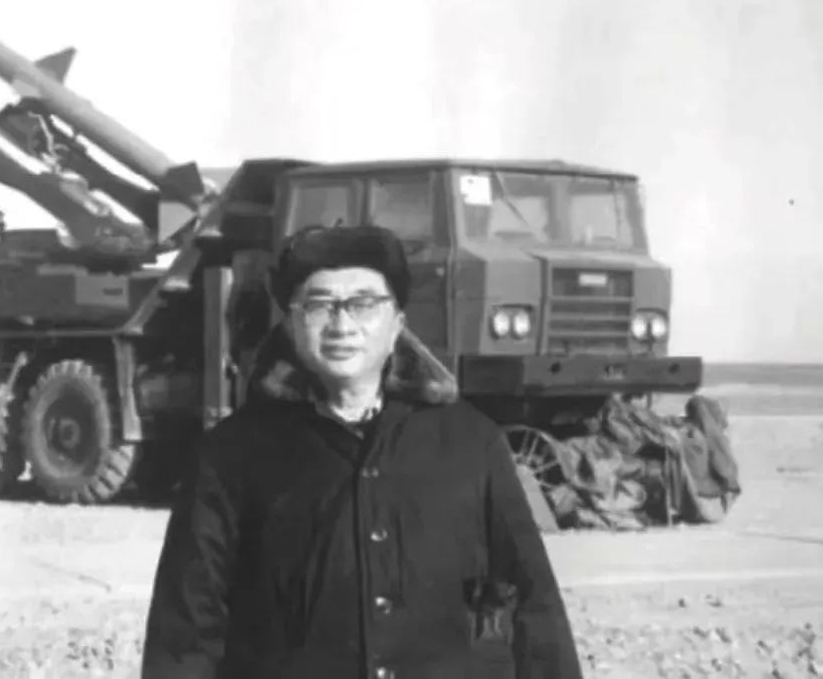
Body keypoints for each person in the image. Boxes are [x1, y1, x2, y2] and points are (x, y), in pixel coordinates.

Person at [140, 223, 584, 678]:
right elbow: (187, 628)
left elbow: (533, 602)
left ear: (397, 326)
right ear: (292, 325)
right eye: (319, 305)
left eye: (364, 304)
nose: (342, 325)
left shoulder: (470, 443)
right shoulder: (230, 456)